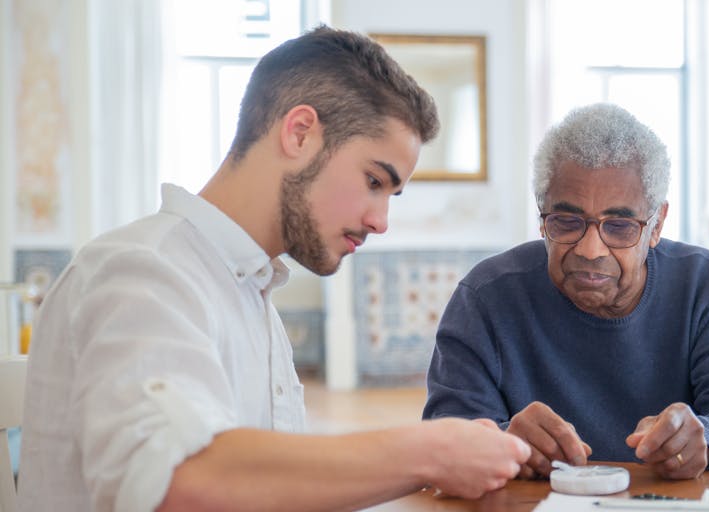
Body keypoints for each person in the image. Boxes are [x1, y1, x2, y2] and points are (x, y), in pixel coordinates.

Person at [16, 26, 529, 512]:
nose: (381, 221)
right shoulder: (141, 273)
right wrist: (426, 451)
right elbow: (180, 485)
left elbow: (270, 490)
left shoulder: (245, 291)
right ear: (300, 132)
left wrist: (461, 456)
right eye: (375, 181)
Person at [423, 103, 709, 481]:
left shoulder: (702, 284)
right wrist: (505, 441)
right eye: (567, 222)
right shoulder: (485, 298)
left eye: (620, 225)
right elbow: (441, 440)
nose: (591, 250)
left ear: (656, 226)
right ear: (542, 217)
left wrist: (708, 440)